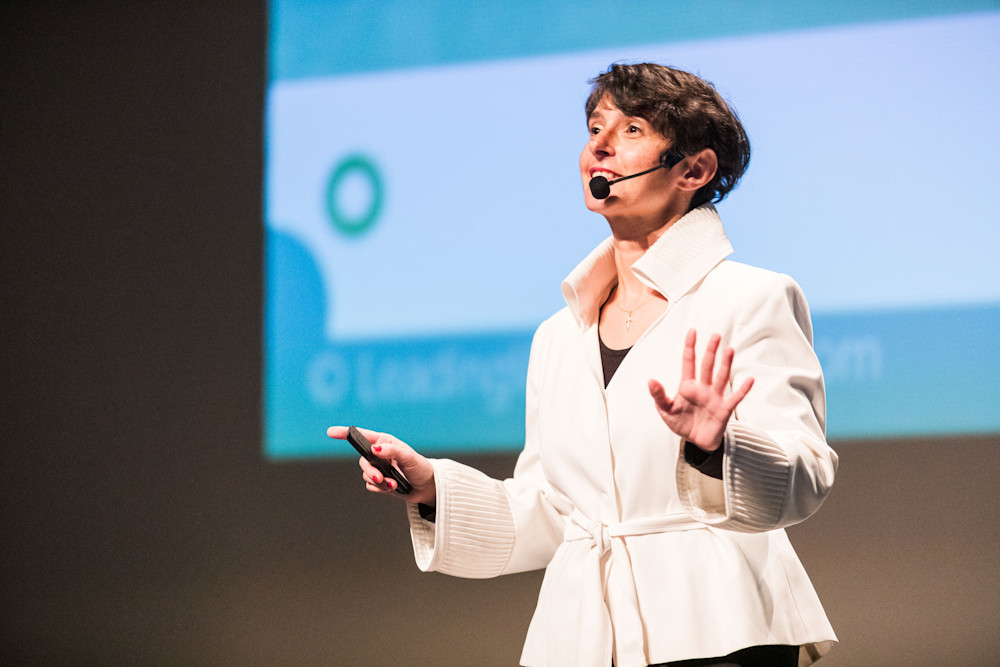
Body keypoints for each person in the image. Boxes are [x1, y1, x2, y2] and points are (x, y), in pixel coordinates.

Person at [328, 63, 838, 667]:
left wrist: (718, 447)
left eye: (631, 130)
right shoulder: (559, 336)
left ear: (693, 170)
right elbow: (551, 513)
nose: (599, 145)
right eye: (596, 128)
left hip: (717, 627)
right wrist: (434, 486)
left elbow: (807, 474)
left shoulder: (751, 298)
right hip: (583, 640)